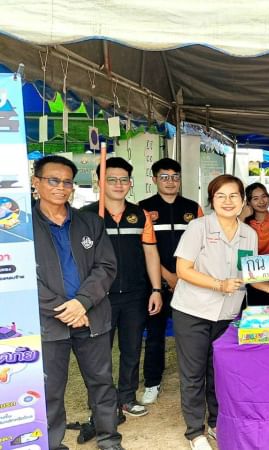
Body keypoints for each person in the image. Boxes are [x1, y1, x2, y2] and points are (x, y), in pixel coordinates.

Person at [172, 175, 269, 450]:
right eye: (220, 196)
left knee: (218, 371)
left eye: (233, 195)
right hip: (193, 311)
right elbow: (182, 270)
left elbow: (247, 274)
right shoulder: (198, 227)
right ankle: (195, 432)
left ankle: (216, 422)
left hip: (227, 313)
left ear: (242, 201)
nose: (227, 201)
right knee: (193, 374)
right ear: (211, 200)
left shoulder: (248, 234)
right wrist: (218, 284)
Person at [31, 155, 124, 450]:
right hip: (49, 323)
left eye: (67, 182)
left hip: (91, 317)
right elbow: (21, 276)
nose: (61, 187)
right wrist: (65, 309)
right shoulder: (19, 228)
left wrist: (82, 303)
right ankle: (51, 444)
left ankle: (109, 438)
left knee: (101, 383)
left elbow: (106, 266)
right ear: (36, 183)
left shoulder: (90, 222)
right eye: (53, 180)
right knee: (50, 389)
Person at [81, 157, 163, 419]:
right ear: (100, 182)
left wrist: (156, 290)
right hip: (98, 297)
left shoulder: (140, 215)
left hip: (135, 295)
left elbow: (151, 253)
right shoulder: (85, 216)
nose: (118, 184)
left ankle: (127, 397)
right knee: (98, 353)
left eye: (123, 180)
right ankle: (101, 403)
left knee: (131, 349)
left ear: (130, 183)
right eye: (111, 179)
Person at [138, 157, 204, 405]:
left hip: (190, 282)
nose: (170, 182)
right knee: (155, 335)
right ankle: (152, 382)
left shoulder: (193, 208)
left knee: (192, 335)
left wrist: (184, 276)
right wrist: (168, 277)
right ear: (154, 179)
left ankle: (196, 380)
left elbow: (202, 246)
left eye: (175, 177)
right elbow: (145, 249)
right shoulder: (143, 208)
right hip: (156, 284)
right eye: (164, 177)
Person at [242, 182, 269, 305]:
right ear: (248, 202)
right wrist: (242, 215)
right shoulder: (245, 223)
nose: (261, 201)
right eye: (255, 198)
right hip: (254, 276)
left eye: (264, 196)